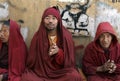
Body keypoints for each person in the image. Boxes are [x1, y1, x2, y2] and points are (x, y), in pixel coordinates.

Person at [21, 7, 82, 81]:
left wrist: (58, 52)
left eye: (54, 18)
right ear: (43, 20)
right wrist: (45, 55)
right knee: (26, 77)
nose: (50, 21)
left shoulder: (66, 36)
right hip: (41, 72)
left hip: (60, 73)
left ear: (58, 20)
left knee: (74, 76)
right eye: (47, 18)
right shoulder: (37, 37)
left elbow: (69, 62)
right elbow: (32, 61)